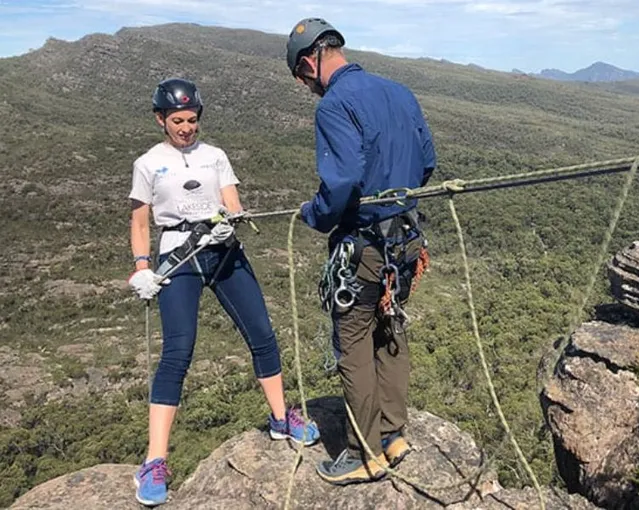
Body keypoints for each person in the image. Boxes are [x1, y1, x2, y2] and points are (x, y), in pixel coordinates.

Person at [127, 77, 320, 506]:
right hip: (179, 257)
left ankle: (278, 418)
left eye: (192, 120)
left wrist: (228, 218)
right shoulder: (147, 163)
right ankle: (154, 461)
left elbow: (232, 201)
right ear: (161, 119)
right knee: (178, 351)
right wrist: (142, 267)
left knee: (263, 335)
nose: (186, 128)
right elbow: (140, 222)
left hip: (223, 249)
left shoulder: (215, 156)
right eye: (177, 120)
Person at [286, 18, 437, 486]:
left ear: (310, 62)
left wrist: (314, 215)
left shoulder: (334, 105)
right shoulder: (399, 92)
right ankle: (393, 434)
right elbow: (427, 161)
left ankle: (363, 452)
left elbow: (342, 181)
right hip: (406, 242)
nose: (307, 87)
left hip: (365, 247)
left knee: (354, 344)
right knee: (390, 330)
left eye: (302, 78)